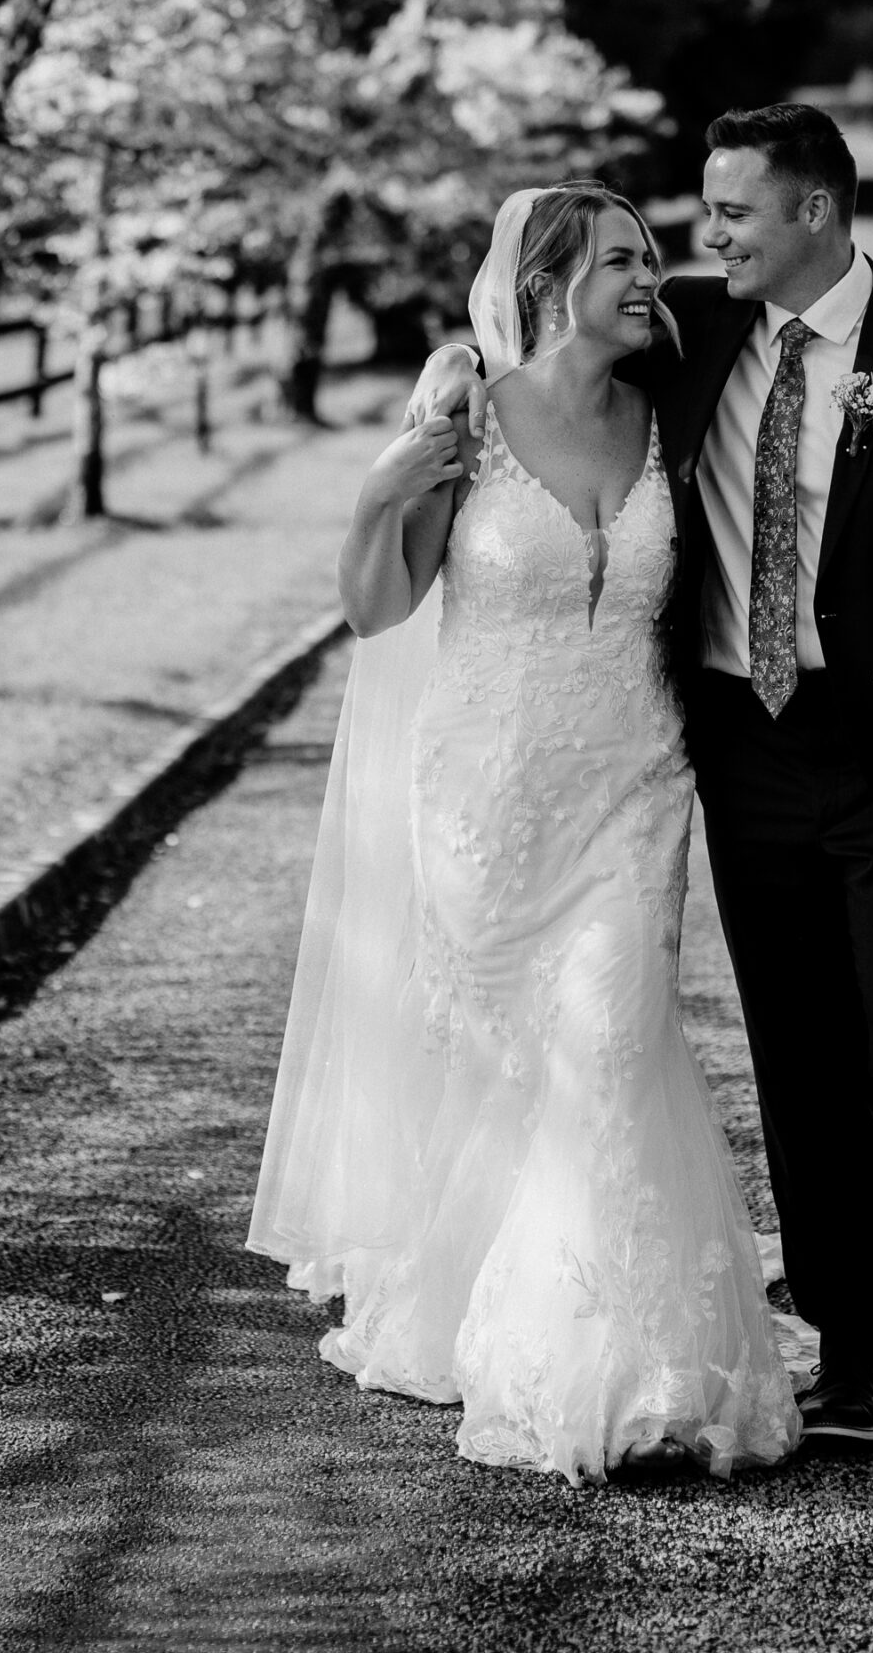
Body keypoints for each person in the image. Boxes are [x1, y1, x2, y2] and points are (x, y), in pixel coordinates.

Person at [410, 105, 873, 1458]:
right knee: (804, 1058)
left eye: (734, 216)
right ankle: (852, 1353)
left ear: (817, 214)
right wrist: (455, 364)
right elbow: (552, 338)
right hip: (736, 746)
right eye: (703, 221)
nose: (706, 242)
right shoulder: (694, 333)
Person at [247, 182, 801, 1488]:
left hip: (636, 785)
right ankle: (473, 1298)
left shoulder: (672, 419)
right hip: (485, 797)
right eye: (620, 259)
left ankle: (621, 1359)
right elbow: (378, 607)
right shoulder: (469, 417)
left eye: (654, 256)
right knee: (507, 1065)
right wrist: (382, 487)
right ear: (549, 281)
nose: (650, 276)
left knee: (610, 1044)